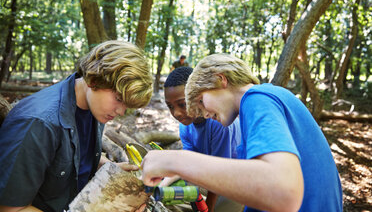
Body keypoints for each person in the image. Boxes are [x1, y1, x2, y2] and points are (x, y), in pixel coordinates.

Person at [141, 54, 343, 212]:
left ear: (221, 80)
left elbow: (284, 192)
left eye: (202, 102)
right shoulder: (258, 105)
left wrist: (176, 161)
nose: (204, 113)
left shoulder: (258, 98)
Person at [0, 40, 153, 212]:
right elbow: (10, 209)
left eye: (127, 105)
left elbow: (71, 157)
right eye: (118, 99)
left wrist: (109, 172)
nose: (120, 112)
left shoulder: (93, 107)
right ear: (94, 79)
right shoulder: (38, 124)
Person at [162, 66, 243, 212]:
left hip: (237, 178)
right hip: (212, 174)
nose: (177, 113)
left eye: (182, 104)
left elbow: (220, 174)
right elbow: (189, 162)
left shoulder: (219, 123)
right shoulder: (185, 127)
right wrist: (160, 187)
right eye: (170, 106)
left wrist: (208, 209)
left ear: (196, 96)